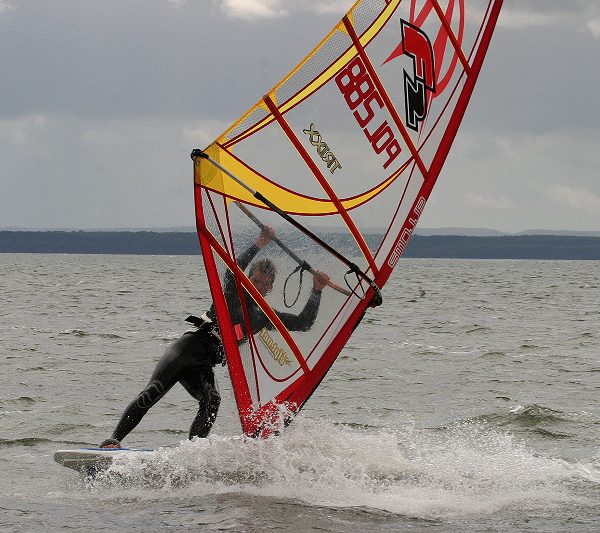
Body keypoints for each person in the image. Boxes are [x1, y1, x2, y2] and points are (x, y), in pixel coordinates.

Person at [100, 226, 329, 448]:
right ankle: (114, 441)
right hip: (187, 349)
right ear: (247, 278)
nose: (257, 285)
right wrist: (259, 243)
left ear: (270, 287)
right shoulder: (232, 293)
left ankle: (192, 452)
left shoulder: (263, 317)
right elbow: (232, 270)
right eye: (254, 280)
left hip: (204, 364)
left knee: (212, 400)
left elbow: (304, 322)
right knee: (153, 391)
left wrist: (316, 290)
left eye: (264, 283)